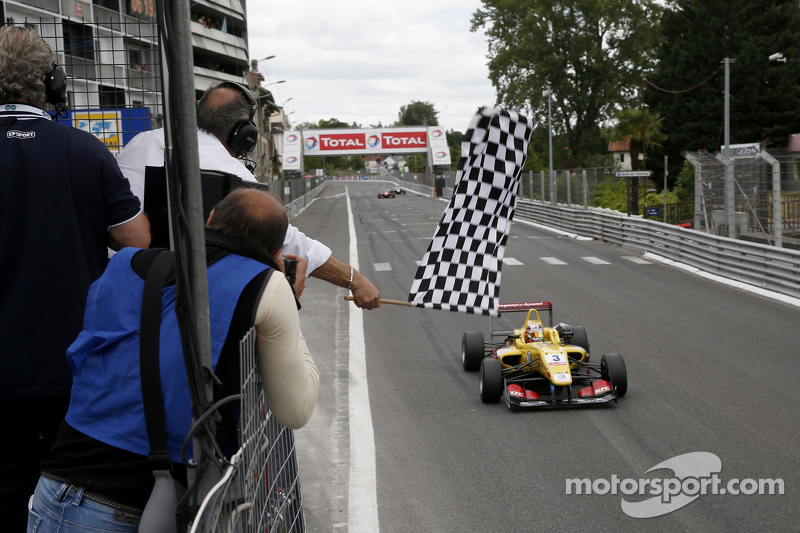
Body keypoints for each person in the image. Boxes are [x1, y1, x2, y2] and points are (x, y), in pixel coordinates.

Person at [28, 188, 320, 531]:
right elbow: (295, 410)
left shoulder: (123, 263)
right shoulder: (265, 285)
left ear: (209, 219)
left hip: (58, 486)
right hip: (140, 506)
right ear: (275, 252)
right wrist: (288, 299)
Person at [0, 26, 151, 531]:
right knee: (68, 493)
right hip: (72, 364)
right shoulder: (85, 151)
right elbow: (137, 243)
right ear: (54, 85)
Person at [116, 81, 381, 309]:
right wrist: (354, 280)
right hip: (177, 296)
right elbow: (285, 239)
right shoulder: (232, 173)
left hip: (118, 283)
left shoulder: (140, 141)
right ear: (244, 134)